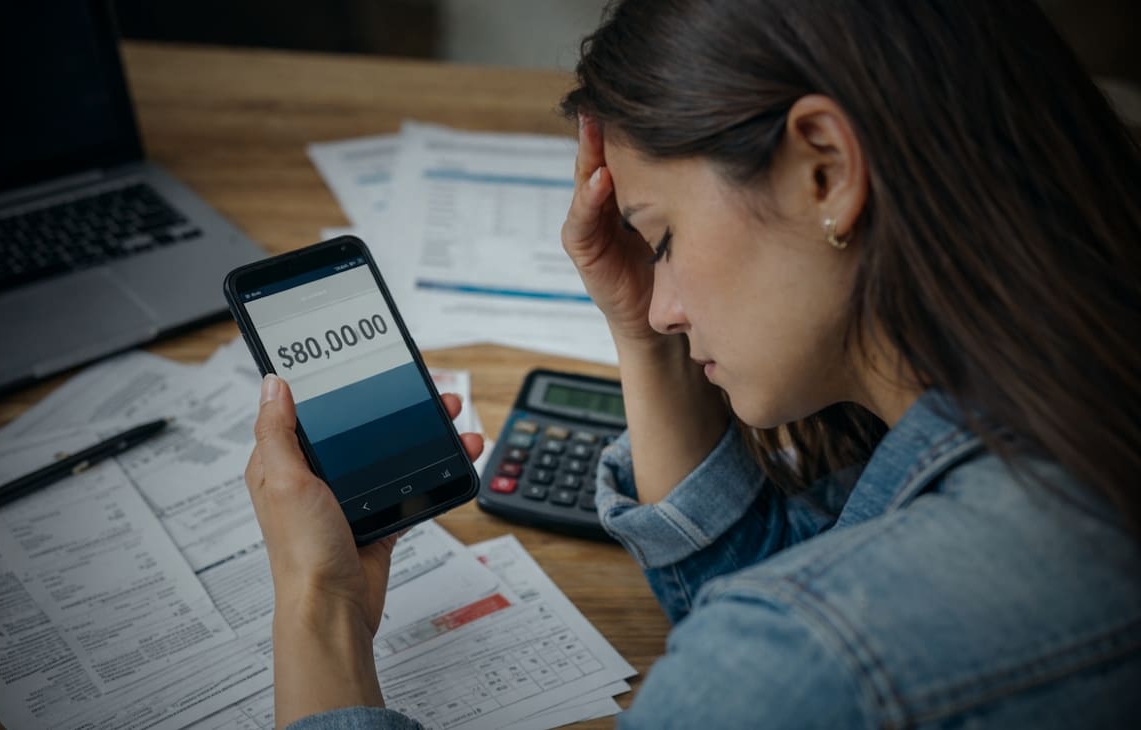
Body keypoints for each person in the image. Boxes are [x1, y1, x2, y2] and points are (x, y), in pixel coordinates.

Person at [243, 0, 1141, 727]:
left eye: (662, 239)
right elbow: (770, 595)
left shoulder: (810, 659)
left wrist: (320, 602)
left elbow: (785, 652)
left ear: (823, 170)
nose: (666, 305)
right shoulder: (1076, 395)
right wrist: (638, 329)